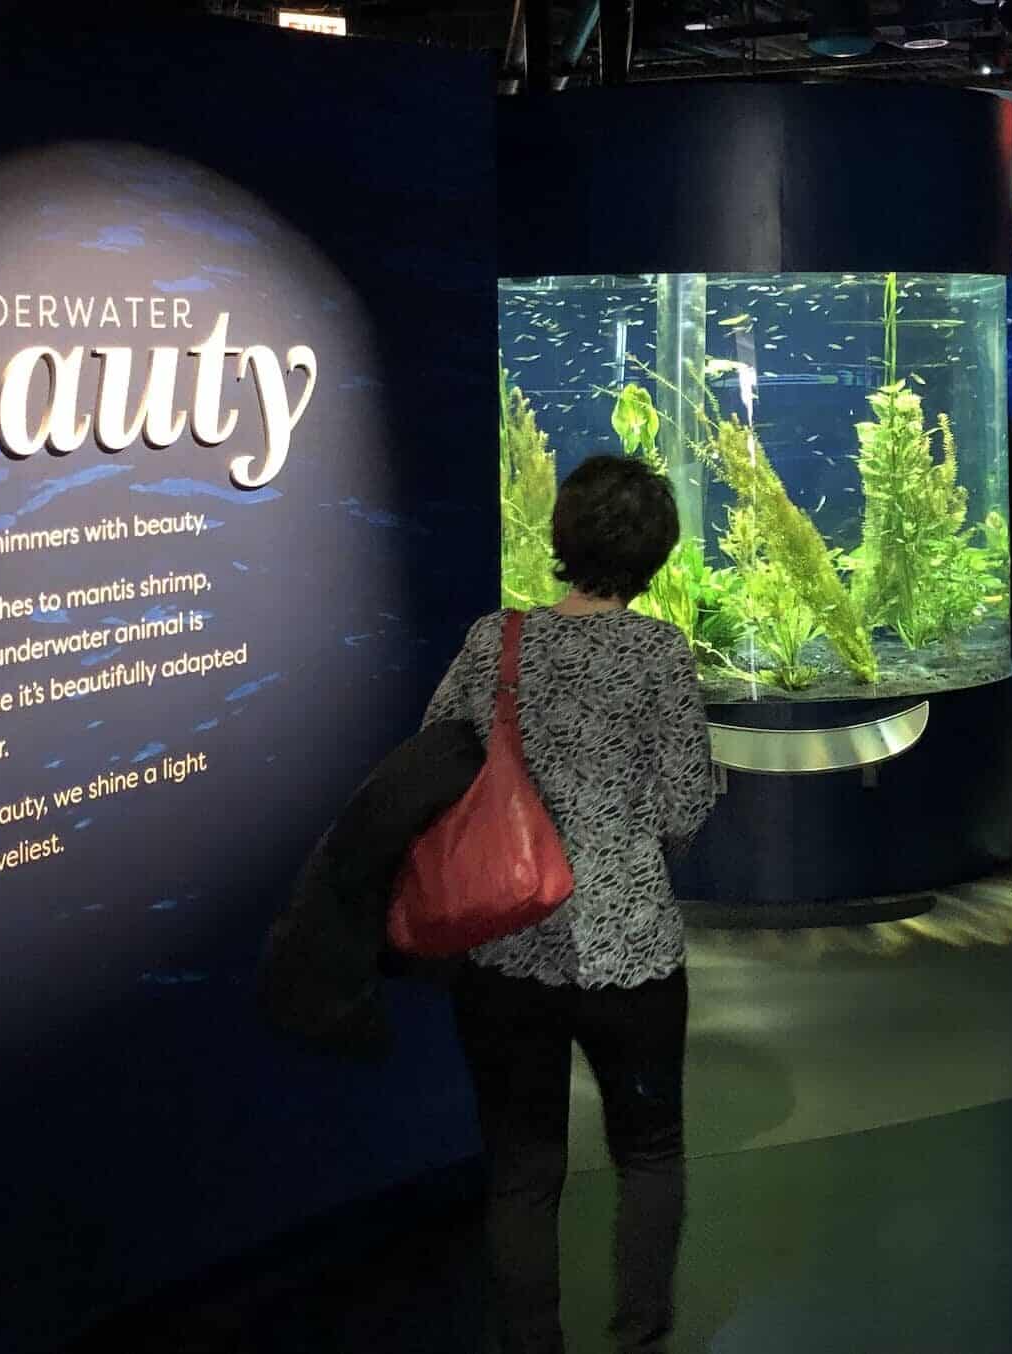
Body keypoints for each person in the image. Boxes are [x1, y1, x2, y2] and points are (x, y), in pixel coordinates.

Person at [423, 454, 720, 1354]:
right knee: (651, 1152)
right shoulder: (662, 654)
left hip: (509, 947)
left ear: (560, 536)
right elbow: (683, 807)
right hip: (631, 956)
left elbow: (432, 761)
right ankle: (639, 1335)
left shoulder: (495, 642)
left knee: (522, 1172)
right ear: (658, 551)